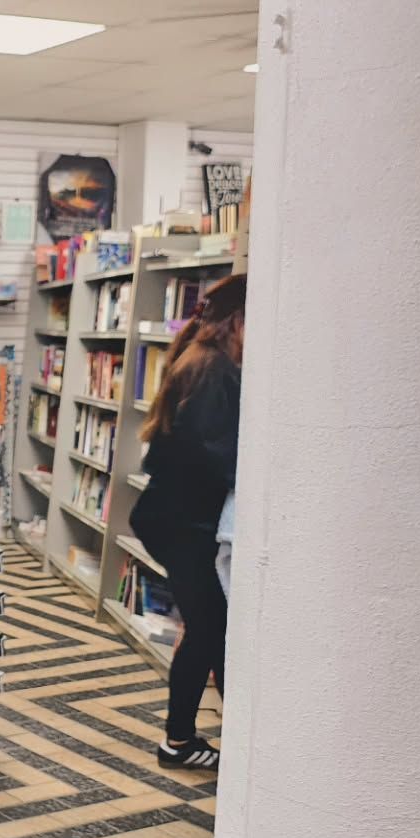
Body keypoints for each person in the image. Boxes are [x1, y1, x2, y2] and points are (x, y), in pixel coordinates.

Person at [130, 273, 246, 771]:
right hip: (183, 523)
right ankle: (179, 742)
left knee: (208, 628)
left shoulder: (199, 362)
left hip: (171, 517)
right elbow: (220, 455)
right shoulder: (214, 370)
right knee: (211, 628)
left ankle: (194, 737)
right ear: (238, 322)